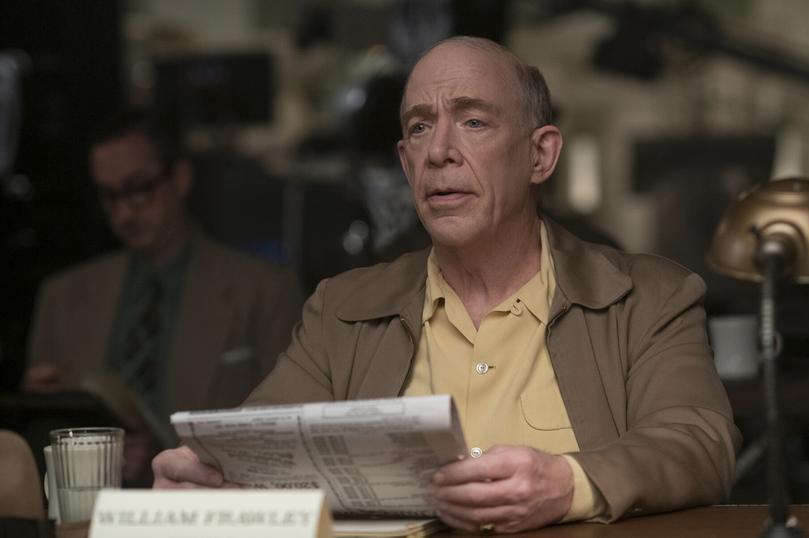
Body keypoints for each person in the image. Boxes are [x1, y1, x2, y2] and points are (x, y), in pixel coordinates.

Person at [152, 37, 740, 533]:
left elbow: (698, 445)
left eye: (473, 121)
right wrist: (207, 481)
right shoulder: (341, 309)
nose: (438, 152)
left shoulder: (647, 298)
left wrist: (566, 483)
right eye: (419, 128)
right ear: (405, 162)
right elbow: (258, 455)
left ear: (540, 155)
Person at [23, 109, 303, 479]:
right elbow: (33, 450)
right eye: (109, 196)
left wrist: (167, 456)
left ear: (180, 178)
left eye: (139, 189)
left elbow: (288, 437)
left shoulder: (264, 289)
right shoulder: (63, 297)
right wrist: (42, 411)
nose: (124, 212)